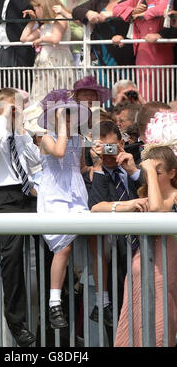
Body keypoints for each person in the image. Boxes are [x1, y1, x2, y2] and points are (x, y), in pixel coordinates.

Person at [0, 87, 41, 347]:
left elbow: (36, 161)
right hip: (3, 197)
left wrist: (23, 131)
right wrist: (4, 115)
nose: (17, 111)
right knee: (11, 256)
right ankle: (15, 320)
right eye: (13, 107)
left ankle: (51, 307)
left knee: (44, 250)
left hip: (28, 195)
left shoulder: (18, 134)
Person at [36, 89, 90, 329]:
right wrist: (60, 125)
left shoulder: (78, 139)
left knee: (95, 237)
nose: (67, 118)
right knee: (64, 247)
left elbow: (80, 168)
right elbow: (58, 152)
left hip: (76, 193)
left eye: (69, 113)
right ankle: (54, 303)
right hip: (54, 195)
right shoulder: (46, 138)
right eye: (62, 114)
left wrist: (100, 159)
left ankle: (101, 300)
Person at [114, 144, 177, 347]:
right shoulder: (145, 198)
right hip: (138, 273)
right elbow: (96, 207)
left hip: (165, 274)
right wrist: (124, 205)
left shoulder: (173, 196)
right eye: (150, 172)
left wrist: (147, 170)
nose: (152, 176)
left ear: (172, 173)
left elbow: (158, 210)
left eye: (157, 172)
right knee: (132, 332)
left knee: (159, 332)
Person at [84, 120, 143, 323]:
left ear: (122, 144)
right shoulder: (90, 175)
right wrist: (98, 164)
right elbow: (96, 206)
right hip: (115, 259)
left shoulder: (134, 168)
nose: (108, 153)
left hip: (143, 250)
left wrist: (133, 171)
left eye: (112, 146)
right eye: (103, 147)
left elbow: (152, 194)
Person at [112, 0, 173, 101]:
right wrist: (133, 11)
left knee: (160, 92)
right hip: (142, 51)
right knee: (145, 92)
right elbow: (116, 9)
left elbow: (164, 8)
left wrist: (144, 14)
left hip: (160, 51)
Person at [72, 0, 135, 81]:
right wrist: (88, 13)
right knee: (103, 93)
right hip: (102, 54)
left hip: (124, 53)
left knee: (124, 94)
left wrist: (112, 16)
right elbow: (76, 11)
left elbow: (134, 20)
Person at [20, 0, 74, 102]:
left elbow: (55, 38)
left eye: (36, 8)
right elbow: (24, 38)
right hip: (45, 63)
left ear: (43, 6)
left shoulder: (60, 19)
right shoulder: (45, 25)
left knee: (57, 95)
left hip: (57, 61)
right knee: (41, 96)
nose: (35, 11)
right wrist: (32, 21)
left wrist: (42, 39)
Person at [58, 0, 90, 64]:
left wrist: (65, 14)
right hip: (62, 49)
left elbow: (88, 27)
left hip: (83, 50)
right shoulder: (59, 0)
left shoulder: (90, 0)